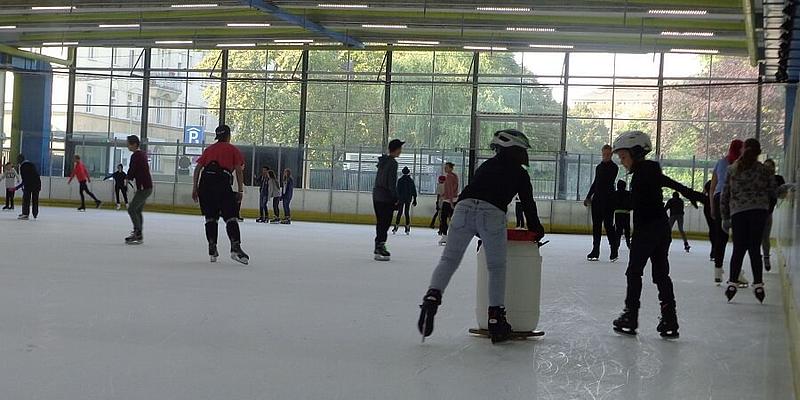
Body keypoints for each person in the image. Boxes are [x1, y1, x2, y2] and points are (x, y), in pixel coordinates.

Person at [417, 129, 545, 344]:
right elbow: (528, 204)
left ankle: (432, 297)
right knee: (496, 267)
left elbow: (475, 191)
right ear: (515, 150)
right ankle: (496, 318)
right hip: (492, 213)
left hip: (463, 209)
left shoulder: (485, 166)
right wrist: (536, 229)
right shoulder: (520, 174)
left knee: (449, 260)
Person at [610, 131, 705, 339]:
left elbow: (666, 184)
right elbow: (668, 182)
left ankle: (631, 315)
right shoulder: (648, 170)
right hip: (660, 230)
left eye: (624, 157)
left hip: (648, 230)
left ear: (635, 153)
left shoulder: (645, 171)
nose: (623, 163)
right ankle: (669, 319)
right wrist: (691, 193)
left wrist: (690, 193)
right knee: (661, 274)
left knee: (634, 272)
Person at [721, 139, 776, 303]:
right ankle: (758, 284)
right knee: (754, 248)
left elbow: (725, 194)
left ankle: (732, 284)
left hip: (738, 212)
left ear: (742, 150)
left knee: (738, 248)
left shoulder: (732, 169)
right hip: (759, 212)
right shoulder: (765, 171)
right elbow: (773, 192)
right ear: (759, 152)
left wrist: (725, 217)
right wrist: (768, 208)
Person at [192, 125, 249, 265]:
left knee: (210, 218)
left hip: (205, 184)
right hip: (222, 183)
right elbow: (238, 170)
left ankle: (212, 248)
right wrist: (240, 190)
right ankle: (235, 248)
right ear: (229, 136)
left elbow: (198, 168)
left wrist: (195, 188)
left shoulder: (209, 149)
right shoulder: (233, 150)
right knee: (231, 217)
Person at [709, 139, 743, 284]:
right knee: (739, 238)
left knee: (720, 236)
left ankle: (717, 271)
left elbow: (712, 187)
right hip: (733, 199)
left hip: (718, 199)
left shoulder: (721, 162)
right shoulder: (741, 165)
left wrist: (712, 206)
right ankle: (737, 273)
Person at [584, 144, 620, 261]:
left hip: (608, 200)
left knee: (608, 225)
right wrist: (589, 196)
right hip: (597, 200)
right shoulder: (599, 167)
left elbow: (606, 182)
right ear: (602, 153)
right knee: (596, 226)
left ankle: (614, 249)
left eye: (608, 154)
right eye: (604, 154)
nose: (606, 156)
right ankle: (595, 250)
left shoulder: (614, 167)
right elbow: (596, 183)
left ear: (611, 154)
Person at [372, 139, 403, 261]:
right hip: (385, 197)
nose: (401, 151)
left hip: (377, 195)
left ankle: (378, 244)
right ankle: (380, 245)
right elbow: (391, 182)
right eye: (400, 148)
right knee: (385, 222)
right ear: (396, 149)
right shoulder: (392, 163)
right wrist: (395, 197)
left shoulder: (383, 161)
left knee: (381, 222)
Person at [124, 135, 153, 245]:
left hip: (144, 188)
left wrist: (127, 178)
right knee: (137, 210)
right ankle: (138, 233)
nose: (127, 145)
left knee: (132, 209)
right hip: (146, 186)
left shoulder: (137, 155)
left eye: (128, 143)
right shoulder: (141, 154)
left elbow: (133, 169)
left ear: (134, 144)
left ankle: (138, 233)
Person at [761, 159, 785, 271]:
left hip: (767, 213)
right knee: (756, 238)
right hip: (757, 212)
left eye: (771, 167)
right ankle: (757, 257)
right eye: (766, 167)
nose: (768, 169)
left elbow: (781, 194)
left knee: (765, 237)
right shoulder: (759, 179)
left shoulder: (777, 179)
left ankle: (766, 257)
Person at [439, 162, 459, 246]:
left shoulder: (449, 177)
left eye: (446, 167)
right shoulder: (455, 176)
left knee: (443, 218)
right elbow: (453, 189)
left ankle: (445, 236)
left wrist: (450, 202)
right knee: (453, 219)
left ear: (451, 168)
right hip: (454, 199)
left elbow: (450, 190)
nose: (445, 169)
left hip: (448, 201)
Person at [15, 154, 41, 220]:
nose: (17, 161)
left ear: (20, 160)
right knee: (35, 199)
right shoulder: (31, 164)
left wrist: (18, 187)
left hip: (29, 185)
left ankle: (25, 214)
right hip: (37, 184)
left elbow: (25, 179)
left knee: (26, 199)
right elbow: (35, 175)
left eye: (18, 160)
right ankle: (35, 213)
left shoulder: (23, 166)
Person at [393, 166, 417, 235]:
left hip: (401, 198)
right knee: (406, 212)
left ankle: (396, 226)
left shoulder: (400, 180)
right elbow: (413, 190)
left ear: (402, 172)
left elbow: (397, 190)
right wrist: (415, 199)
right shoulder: (410, 180)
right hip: (408, 198)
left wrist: (396, 199)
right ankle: (407, 227)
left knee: (400, 212)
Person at [611, 180, 632, 249]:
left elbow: (612, 203)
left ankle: (617, 244)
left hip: (618, 213)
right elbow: (632, 203)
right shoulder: (628, 193)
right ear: (625, 186)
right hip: (626, 213)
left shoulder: (614, 193)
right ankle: (628, 243)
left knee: (618, 229)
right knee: (627, 229)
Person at [702, 180, 716, 262]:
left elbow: (703, 193)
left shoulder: (708, 183)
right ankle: (715, 249)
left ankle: (713, 249)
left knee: (712, 228)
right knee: (716, 229)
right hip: (716, 205)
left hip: (707, 207)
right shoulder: (718, 183)